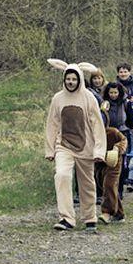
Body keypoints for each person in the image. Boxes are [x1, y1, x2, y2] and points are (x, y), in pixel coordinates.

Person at [44, 60, 106, 232]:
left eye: (74, 79)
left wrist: (99, 150)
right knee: (62, 175)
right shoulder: (58, 99)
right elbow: (52, 124)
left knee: (87, 183)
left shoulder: (89, 98)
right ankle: (66, 218)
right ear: (64, 79)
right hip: (64, 145)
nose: (70, 82)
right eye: (68, 79)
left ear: (79, 79)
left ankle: (90, 217)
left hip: (86, 146)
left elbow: (97, 125)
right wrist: (50, 149)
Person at [100, 124, 127, 224]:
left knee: (109, 184)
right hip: (99, 162)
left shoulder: (112, 132)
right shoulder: (91, 132)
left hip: (114, 160)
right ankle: (119, 214)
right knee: (107, 187)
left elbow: (124, 140)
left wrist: (117, 148)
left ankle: (107, 212)